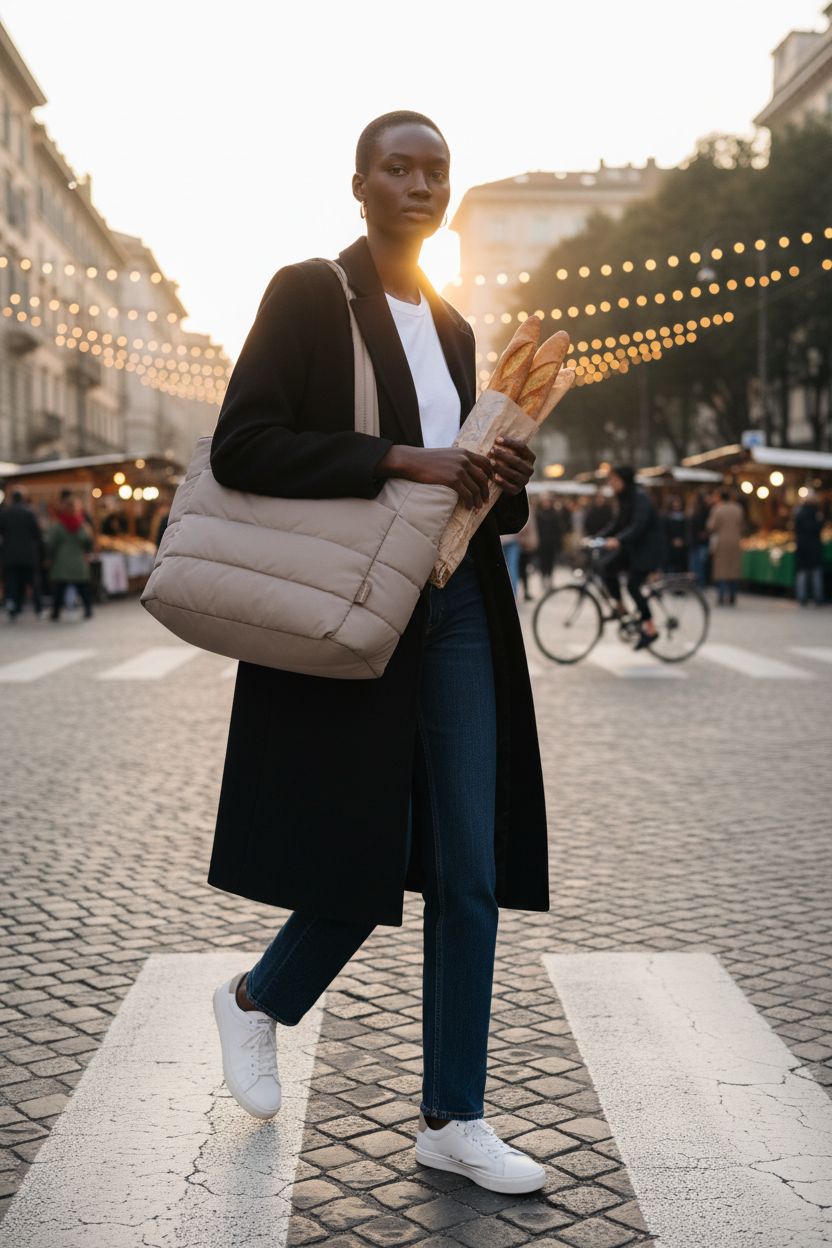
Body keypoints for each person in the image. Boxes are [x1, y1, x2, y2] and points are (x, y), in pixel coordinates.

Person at [207, 111, 548, 1195]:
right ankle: (257, 1000)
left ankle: (453, 1116)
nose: (417, 184)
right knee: (361, 848)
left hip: (454, 610)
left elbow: (468, 499)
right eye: (396, 168)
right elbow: (244, 443)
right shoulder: (311, 293)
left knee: (469, 866)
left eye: (433, 170)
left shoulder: (452, 327)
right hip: (352, 609)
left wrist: (500, 475)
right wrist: (405, 457)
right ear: (358, 185)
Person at [599, 464, 663, 649]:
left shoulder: (639, 497)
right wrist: (599, 537)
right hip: (633, 548)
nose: (611, 483)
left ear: (623, 480)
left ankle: (650, 629)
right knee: (606, 567)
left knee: (633, 585)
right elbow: (617, 523)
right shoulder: (625, 498)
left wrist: (617, 540)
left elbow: (638, 525)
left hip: (648, 550)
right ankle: (621, 609)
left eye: (613, 480)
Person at [46, 493, 94, 620]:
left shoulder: (58, 526)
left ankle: (55, 613)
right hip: (78, 562)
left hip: (61, 563)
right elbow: (88, 542)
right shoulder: (82, 525)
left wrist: (49, 557)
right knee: (83, 589)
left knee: (58, 590)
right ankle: (88, 610)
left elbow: (50, 543)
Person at [0, 490, 44, 620]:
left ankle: (14, 608)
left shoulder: (4, 513)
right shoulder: (29, 513)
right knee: (33, 583)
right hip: (28, 555)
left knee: (12, 582)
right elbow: (37, 534)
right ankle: (38, 608)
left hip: (10, 555)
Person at [707, 488, 744, 606]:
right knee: (733, 569)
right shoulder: (738, 508)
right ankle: (733, 595)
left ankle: (721, 595)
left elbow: (711, 526)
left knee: (721, 570)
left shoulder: (718, 509)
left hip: (721, 542)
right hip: (735, 541)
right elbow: (742, 524)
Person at [794, 490, 825, 606]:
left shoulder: (799, 512)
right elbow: (816, 527)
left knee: (802, 572)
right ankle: (818, 597)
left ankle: (802, 597)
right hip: (813, 546)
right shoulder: (816, 514)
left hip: (802, 546)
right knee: (816, 572)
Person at [535, 492, 562, 590]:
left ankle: (550, 580)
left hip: (551, 542)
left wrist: (557, 542)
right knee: (542, 562)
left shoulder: (555, 514)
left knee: (550, 562)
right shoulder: (538, 514)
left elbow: (558, 529)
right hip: (541, 542)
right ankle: (543, 579)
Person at [689, 489, 712, 588]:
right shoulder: (704, 511)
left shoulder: (694, 510)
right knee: (700, 565)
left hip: (696, 542)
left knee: (698, 565)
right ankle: (699, 584)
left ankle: (698, 585)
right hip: (700, 542)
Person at [517, 504, 539, 601]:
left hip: (524, 543)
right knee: (520, 568)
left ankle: (524, 591)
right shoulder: (528, 510)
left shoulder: (529, 510)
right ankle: (522, 591)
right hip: (521, 542)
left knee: (523, 568)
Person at [661, 493, 688, 574]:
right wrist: (672, 541)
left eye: (678, 503)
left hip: (682, 549)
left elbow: (687, 531)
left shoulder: (685, 518)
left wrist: (683, 540)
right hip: (670, 549)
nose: (677, 505)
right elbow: (663, 533)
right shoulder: (665, 517)